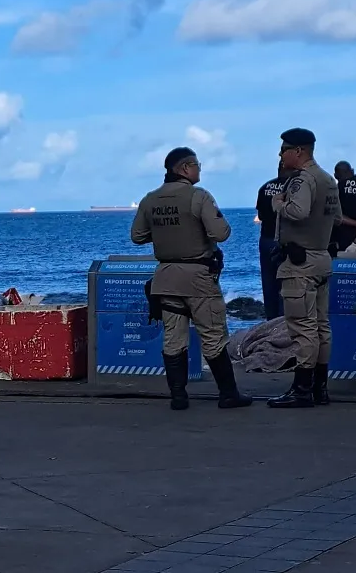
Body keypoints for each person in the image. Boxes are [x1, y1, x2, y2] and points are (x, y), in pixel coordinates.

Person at [131, 147, 252, 411]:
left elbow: (137, 236)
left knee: (173, 338)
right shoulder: (199, 197)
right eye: (197, 164)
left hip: (165, 277)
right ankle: (228, 394)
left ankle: (178, 396)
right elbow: (221, 233)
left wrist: (166, 234)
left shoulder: (150, 200)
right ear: (185, 168)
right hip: (198, 278)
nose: (200, 169)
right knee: (213, 336)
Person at [267, 128, 342, 409]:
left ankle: (301, 390)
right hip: (322, 257)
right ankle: (320, 388)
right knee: (322, 326)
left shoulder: (303, 180)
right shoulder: (328, 179)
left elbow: (298, 212)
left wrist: (279, 204)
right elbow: (337, 218)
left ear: (298, 151)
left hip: (301, 262)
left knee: (303, 328)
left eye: (284, 149)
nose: (280, 154)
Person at [256, 161, 297, 320]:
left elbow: (260, 215)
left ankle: (271, 321)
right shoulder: (295, 189)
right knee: (287, 285)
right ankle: (283, 323)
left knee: (269, 283)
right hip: (285, 240)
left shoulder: (265, 187)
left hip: (266, 239)